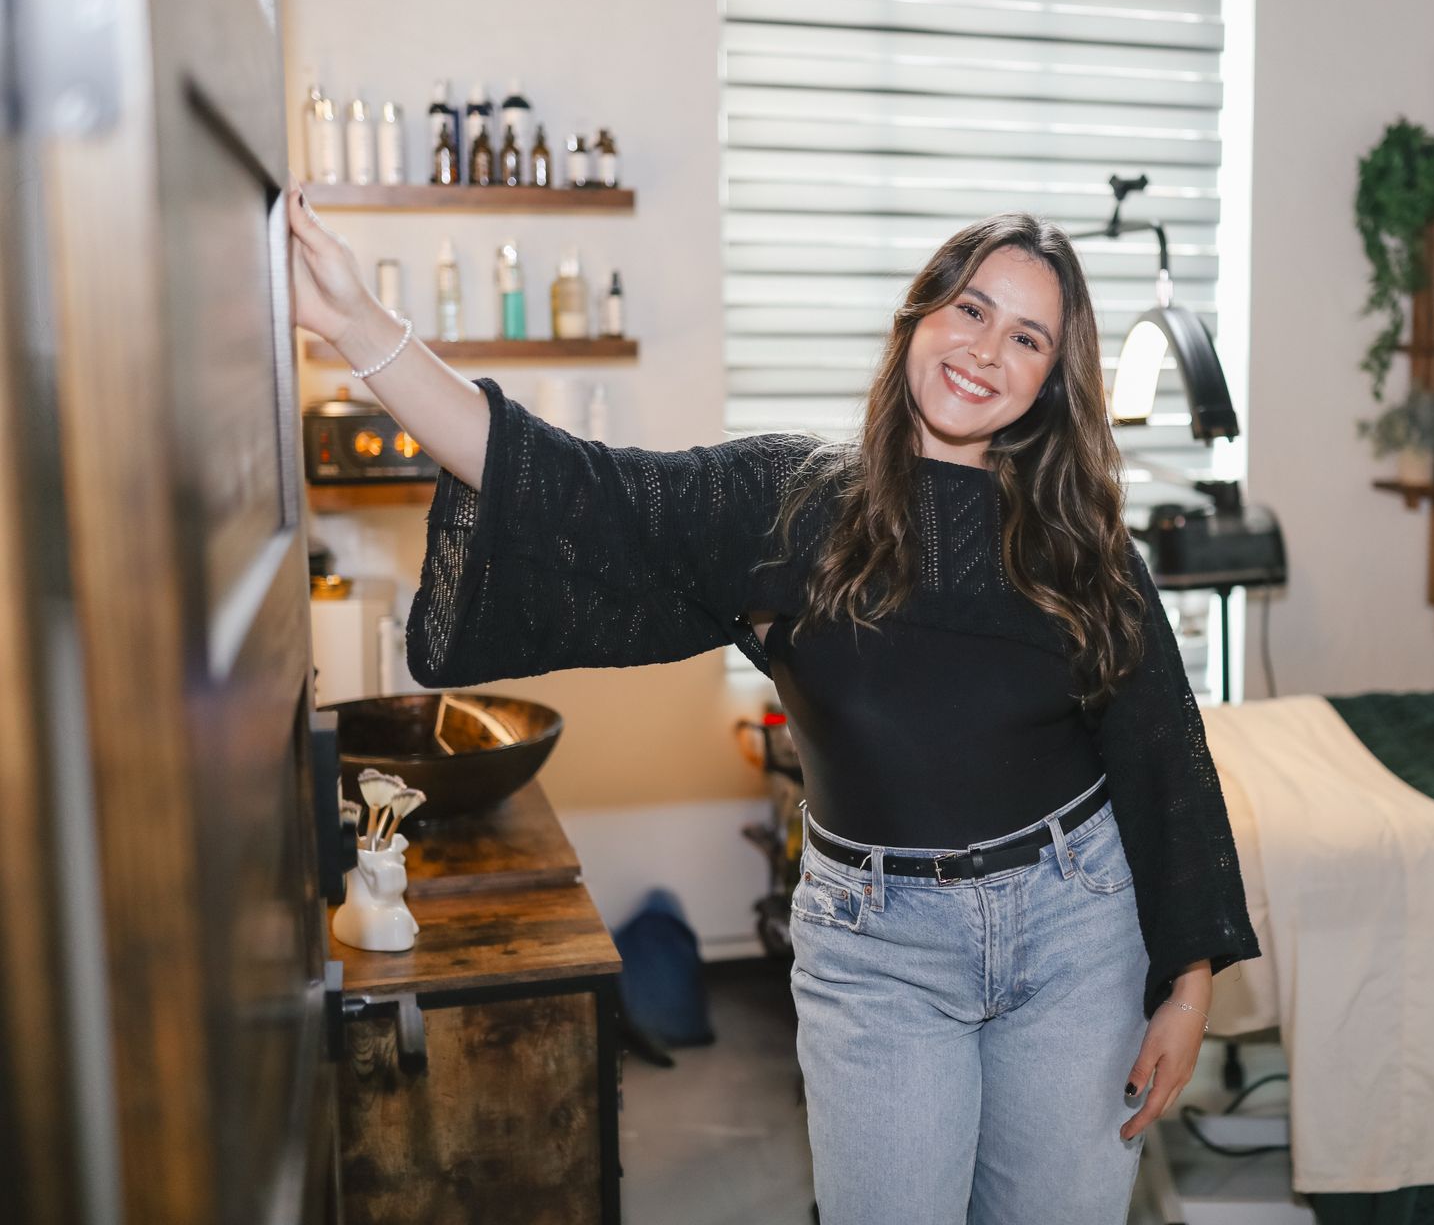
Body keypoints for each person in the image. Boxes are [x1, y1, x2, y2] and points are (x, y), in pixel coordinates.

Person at [286, 183, 1260, 1224]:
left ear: (1052, 381)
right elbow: (565, 483)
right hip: (878, 949)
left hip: (1077, 932)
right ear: (919, 317)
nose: (987, 349)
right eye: (971, 308)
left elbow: (1163, 755)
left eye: (1027, 338)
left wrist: (1188, 984)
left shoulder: (1081, 539)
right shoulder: (791, 501)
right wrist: (358, 323)